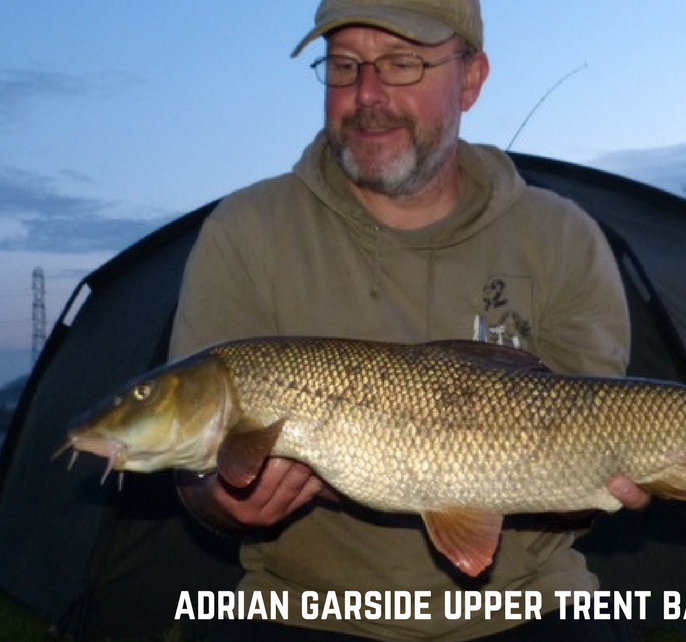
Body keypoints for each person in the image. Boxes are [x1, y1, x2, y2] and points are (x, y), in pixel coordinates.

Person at [171, 1, 650, 640]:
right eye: (344, 65)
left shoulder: (563, 236)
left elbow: (592, 438)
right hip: (304, 609)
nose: (367, 95)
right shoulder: (245, 232)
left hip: (531, 604)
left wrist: (631, 467)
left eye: (402, 64)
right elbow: (193, 469)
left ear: (472, 79)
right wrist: (222, 498)